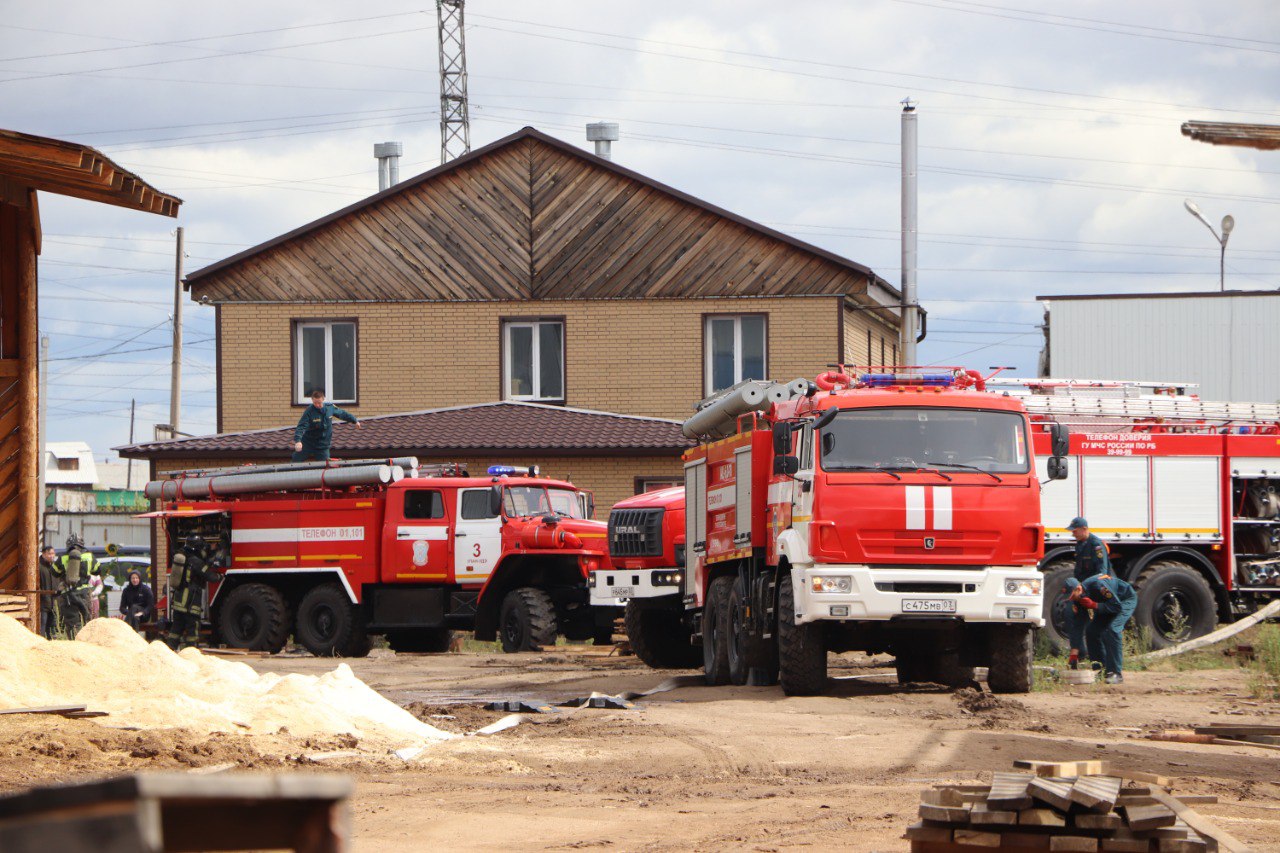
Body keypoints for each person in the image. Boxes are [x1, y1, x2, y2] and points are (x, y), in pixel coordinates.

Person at [1063, 573, 1138, 684]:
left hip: (1124, 600)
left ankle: (1115, 673)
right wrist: (1074, 653)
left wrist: (1094, 605)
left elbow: (1116, 607)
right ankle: (1100, 669)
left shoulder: (1099, 586)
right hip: (1107, 605)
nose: (1072, 599)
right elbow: (1078, 624)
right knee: (1091, 631)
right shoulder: (1078, 598)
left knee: (1113, 629)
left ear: (1078, 589)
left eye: (1072, 595)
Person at [1064, 516, 1110, 669]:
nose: (1073, 534)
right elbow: (1078, 572)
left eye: (1075, 531)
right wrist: (1077, 594)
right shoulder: (1080, 544)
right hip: (1083, 589)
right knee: (1073, 616)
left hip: (1099, 590)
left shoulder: (1096, 545)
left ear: (1084, 529)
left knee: (1097, 629)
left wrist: (1082, 586)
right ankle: (1076, 655)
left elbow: (1102, 574)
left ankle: (1102, 667)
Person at [165, 536, 220, 650]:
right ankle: (191, 652)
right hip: (191, 601)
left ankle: (169, 650)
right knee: (192, 629)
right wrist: (220, 576)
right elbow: (210, 576)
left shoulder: (183, 556)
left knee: (176, 628)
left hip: (179, 600)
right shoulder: (196, 561)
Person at [291, 388, 361, 462]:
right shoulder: (309, 411)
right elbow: (301, 426)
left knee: (325, 465)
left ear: (323, 399)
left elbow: (342, 414)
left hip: (323, 445)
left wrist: (354, 420)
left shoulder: (330, 407)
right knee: (295, 461)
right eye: (315, 403)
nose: (317, 405)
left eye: (319, 403)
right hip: (308, 442)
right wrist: (298, 441)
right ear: (312, 401)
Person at [51, 535, 94, 637]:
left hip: (69, 595)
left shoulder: (63, 558)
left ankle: (75, 645)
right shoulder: (89, 557)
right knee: (87, 621)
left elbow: (54, 571)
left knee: (73, 623)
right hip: (84, 595)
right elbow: (97, 570)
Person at [37, 545, 58, 638]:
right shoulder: (38, 566)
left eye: (53, 553)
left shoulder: (53, 566)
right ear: (44, 554)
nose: (52, 556)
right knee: (42, 625)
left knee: (52, 627)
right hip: (42, 602)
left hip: (53, 602)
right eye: (49, 553)